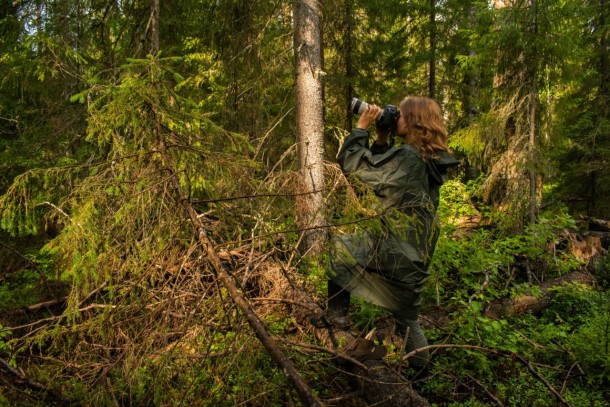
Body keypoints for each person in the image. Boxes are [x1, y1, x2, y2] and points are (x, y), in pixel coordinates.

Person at [317, 96, 459, 370]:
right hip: (415, 255)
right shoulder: (428, 157)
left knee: (338, 247)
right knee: (408, 321)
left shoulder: (409, 157)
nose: (397, 119)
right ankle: (422, 379)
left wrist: (361, 129)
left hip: (395, 251)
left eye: (401, 115)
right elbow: (386, 177)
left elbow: (358, 168)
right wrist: (381, 138)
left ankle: (337, 320)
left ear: (416, 121)